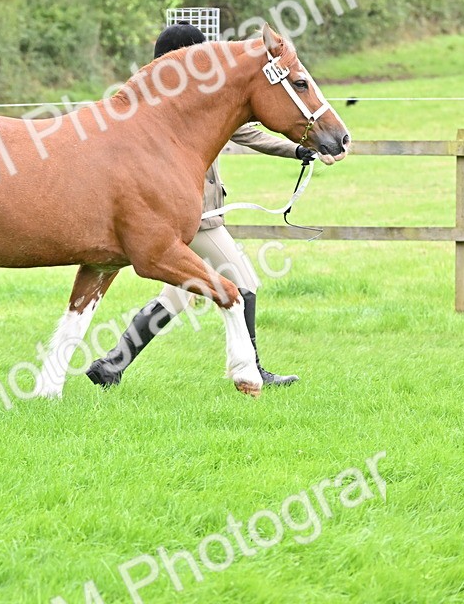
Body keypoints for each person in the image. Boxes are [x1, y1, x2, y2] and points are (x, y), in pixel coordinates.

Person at [86, 23, 318, 388]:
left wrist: (297, 149)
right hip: (198, 217)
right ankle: (251, 369)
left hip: (193, 214)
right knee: (244, 283)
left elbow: (249, 134)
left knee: (175, 297)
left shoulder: (192, 99)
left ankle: (112, 365)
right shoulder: (178, 104)